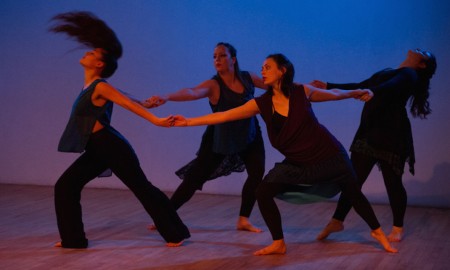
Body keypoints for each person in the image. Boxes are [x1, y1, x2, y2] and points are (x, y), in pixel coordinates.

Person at [170, 53, 398, 255]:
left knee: (353, 192)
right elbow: (224, 116)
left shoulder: (302, 91)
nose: (262, 71)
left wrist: (355, 92)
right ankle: (278, 242)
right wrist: (188, 121)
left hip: (329, 155)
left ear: (283, 71)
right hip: (299, 163)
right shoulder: (262, 103)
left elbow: (335, 94)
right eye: (262, 68)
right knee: (263, 191)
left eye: (267, 67)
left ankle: (378, 233)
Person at [50, 11, 190, 248]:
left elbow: (123, 102)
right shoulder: (92, 86)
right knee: (66, 186)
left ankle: (175, 234)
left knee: (141, 187)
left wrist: (155, 120)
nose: (87, 52)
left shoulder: (100, 86)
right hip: (97, 148)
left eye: (92, 53)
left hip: (110, 145)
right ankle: (73, 240)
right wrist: (144, 101)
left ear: (99, 64)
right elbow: (124, 97)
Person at [312, 49, 437, 242]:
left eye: (424, 52)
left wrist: (372, 91)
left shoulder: (409, 74)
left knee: (393, 182)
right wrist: (329, 85)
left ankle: (398, 228)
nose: (419, 49)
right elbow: (361, 86)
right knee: (352, 180)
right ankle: (337, 220)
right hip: (370, 132)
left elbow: (389, 86)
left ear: (422, 64)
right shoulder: (388, 71)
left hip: (392, 135)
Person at [142, 42, 266, 232]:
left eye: (222, 55)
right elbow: (191, 92)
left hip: (249, 134)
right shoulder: (214, 85)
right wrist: (167, 96)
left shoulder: (248, 78)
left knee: (256, 175)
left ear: (233, 59)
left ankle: (243, 219)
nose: (217, 59)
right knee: (193, 179)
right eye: (215, 56)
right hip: (220, 138)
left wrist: (308, 89)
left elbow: (276, 86)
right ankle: (164, 217)